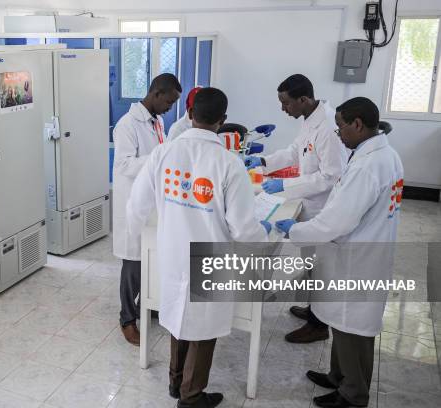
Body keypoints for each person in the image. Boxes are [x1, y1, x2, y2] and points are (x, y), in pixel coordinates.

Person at [127, 88, 269, 408]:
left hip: (173, 250)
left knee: (179, 316)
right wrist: (265, 240)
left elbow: (137, 204)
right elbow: (244, 228)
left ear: (190, 114)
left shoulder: (164, 153)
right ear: (223, 121)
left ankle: (176, 383)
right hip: (210, 255)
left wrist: (138, 240)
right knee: (203, 330)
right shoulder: (229, 163)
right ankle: (192, 397)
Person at [275, 97, 404, 408]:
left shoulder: (369, 166)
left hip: (357, 260)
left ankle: (353, 394)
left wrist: (294, 230)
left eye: (341, 128)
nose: (339, 135)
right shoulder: (384, 156)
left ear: (357, 124)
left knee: (352, 329)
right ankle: (338, 376)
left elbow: (336, 222)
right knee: (343, 323)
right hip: (364, 253)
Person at [244, 74, 347, 344]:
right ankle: (315, 311)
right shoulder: (310, 120)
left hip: (323, 208)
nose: (282, 109)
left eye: (285, 103)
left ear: (303, 99)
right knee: (312, 264)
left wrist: (285, 186)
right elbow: (293, 152)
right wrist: (263, 161)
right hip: (309, 204)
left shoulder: (327, 127)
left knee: (321, 266)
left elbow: (330, 176)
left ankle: (318, 325)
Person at [113, 73, 182, 346]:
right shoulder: (127, 125)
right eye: (169, 101)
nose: (171, 107)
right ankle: (127, 320)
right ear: (156, 93)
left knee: (153, 257)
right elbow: (124, 165)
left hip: (154, 202)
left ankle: (149, 305)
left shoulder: (157, 121)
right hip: (134, 204)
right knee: (133, 265)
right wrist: (159, 159)